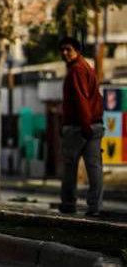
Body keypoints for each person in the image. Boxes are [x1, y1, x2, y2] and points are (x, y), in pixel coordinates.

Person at [58, 36, 104, 216]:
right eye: (62, 50)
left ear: (77, 50)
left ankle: (69, 204)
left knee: (70, 167)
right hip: (94, 124)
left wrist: (85, 126)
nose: (64, 53)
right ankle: (95, 207)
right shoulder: (87, 67)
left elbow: (81, 99)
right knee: (94, 168)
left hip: (79, 127)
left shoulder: (76, 70)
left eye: (68, 49)